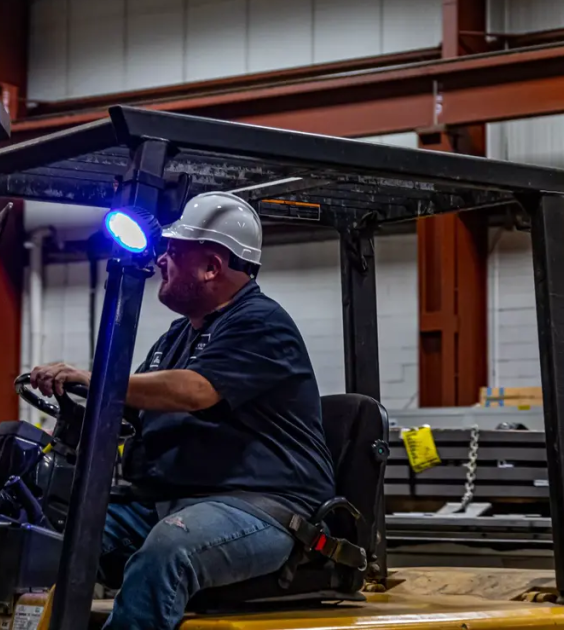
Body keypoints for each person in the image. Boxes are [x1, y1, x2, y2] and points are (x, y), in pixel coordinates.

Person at [30, 192, 336, 630]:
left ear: (212, 266)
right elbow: (129, 407)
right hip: (173, 501)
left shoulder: (262, 324)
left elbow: (196, 391)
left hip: (263, 509)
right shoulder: (177, 337)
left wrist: (93, 378)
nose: (160, 262)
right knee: (62, 536)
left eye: (174, 252)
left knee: (169, 551)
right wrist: (76, 409)